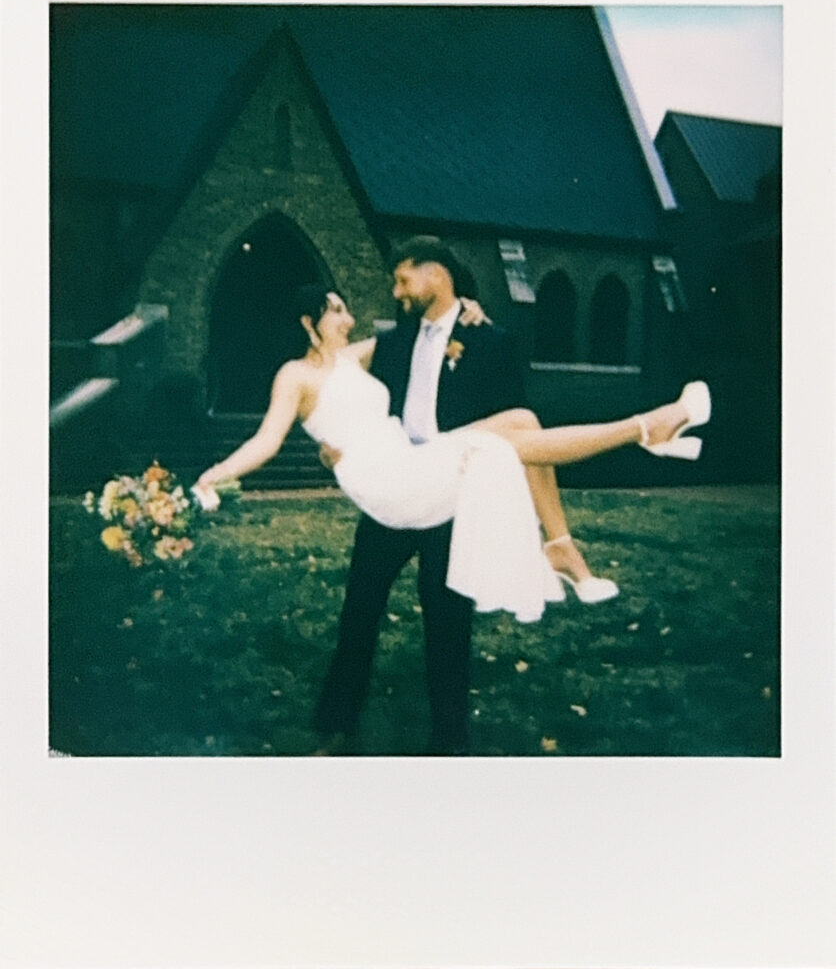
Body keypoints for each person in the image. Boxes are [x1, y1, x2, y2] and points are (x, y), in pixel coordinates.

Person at [195, 237, 711, 755]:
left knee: (519, 428)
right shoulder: (330, 363)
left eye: (402, 280)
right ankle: (644, 430)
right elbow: (274, 433)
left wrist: (466, 309)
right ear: (309, 322)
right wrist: (215, 474)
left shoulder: (410, 348)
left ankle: (451, 738)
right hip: (396, 485)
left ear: (435, 275)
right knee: (360, 612)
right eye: (335, 309)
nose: (365, 306)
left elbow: (346, 383)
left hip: (432, 477)